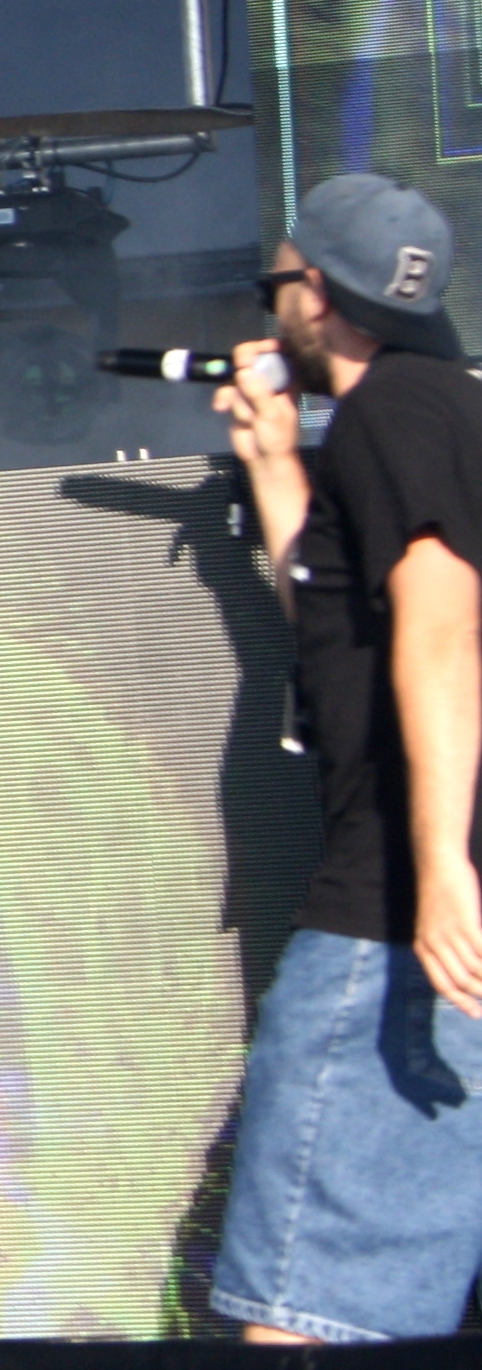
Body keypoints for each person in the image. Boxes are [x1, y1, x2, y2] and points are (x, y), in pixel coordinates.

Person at [207, 171, 482, 1345]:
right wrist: (276, 469)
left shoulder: (391, 417)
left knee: (304, 1319)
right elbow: (345, 637)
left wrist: (442, 868)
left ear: (314, 294)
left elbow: (440, 622)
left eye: (272, 284)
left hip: (395, 929)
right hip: (417, 918)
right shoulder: (439, 412)